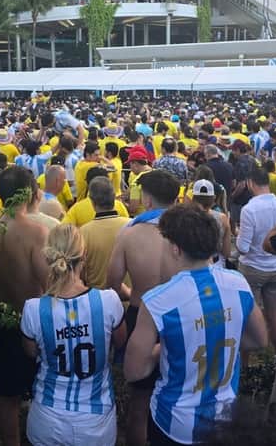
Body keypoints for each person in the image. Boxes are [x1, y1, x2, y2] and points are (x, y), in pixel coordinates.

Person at [124, 203, 267, 445]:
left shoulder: (158, 301)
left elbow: (133, 370)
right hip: (226, 418)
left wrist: (162, 350)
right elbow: (259, 340)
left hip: (174, 423)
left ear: (176, 249)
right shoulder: (238, 284)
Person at [20, 223, 125, 446]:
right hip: (97, 423)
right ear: (83, 256)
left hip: (46, 419)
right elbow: (120, 341)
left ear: (48, 257)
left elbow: (31, 352)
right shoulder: (108, 301)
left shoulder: (32, 309)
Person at [105, 169, 180, 446]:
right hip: (179, 316)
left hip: (140, 312)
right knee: (179, 386)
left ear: (147, 200)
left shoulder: (131, 232)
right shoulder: (186, 233)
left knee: (139, 399)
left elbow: (112, 280)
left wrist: (130, 292)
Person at [0, 165, 51, 446]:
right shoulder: (36, 232)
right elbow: (49, 283)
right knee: (42, 388)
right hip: (32, 320)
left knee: (6, 393)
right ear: (30, 193)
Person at [237, 166, 276, 354]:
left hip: (253, 268)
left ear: (250, 183)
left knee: (247, 316)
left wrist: (237, 234)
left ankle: (244, 367)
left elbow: (242, 247)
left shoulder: (249, 209)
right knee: (274, 315)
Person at [78, 176, 131, 290]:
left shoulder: (83, 232)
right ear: (114, 198)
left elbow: (80, 273)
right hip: (129, 298)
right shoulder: (132, 226)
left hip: (98, 301)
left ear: (92, 202)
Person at [190, 177, 233, 265]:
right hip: (215, 264)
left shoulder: (183, 218)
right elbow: (226, 253)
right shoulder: (222, 218)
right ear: (213, 198)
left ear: (193, 198)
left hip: (190, 264)